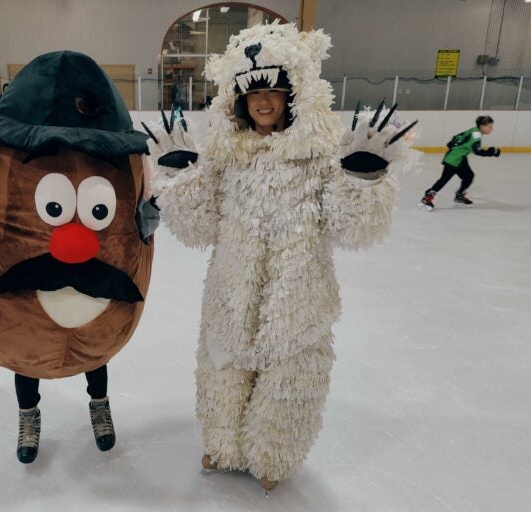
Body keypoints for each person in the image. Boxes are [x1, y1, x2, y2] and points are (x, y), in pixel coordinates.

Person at [145, 23, 419, 491]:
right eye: (253, 94)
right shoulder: (226, 155)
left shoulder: (320, 155)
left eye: (274, 90)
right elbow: (198, 225)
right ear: (238, 101)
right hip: (231, 292)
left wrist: (363, 181)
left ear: (296, 93)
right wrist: (182, 177)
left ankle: (271, 456)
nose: (264, 102)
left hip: (298, 299)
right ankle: (223, 444)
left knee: (289, 383)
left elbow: (353, 228)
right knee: (223, 372)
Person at [0, 51, 156, 465]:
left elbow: (140, 225)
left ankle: (99, 405)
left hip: (94, 294)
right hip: (32, 288)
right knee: (27, 343)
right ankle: (28, 416)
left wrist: (155, 204)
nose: (75, 244)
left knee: (95, 347)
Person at [418, 115, 500, 210]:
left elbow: (455, 138)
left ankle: (459, 195)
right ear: (482, 126)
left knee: (469, 176)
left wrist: (454, 146)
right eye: (490, 126)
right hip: (453, 160)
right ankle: (427, 198)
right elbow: (478, 151)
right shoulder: (476, 136)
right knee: (444, 180)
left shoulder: (473, 130)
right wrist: (492, 152)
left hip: (460, 158)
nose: (491, 128)